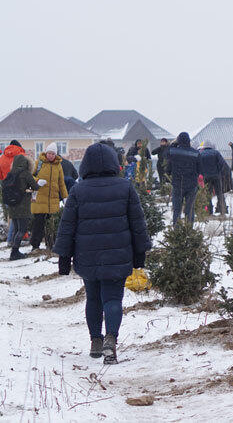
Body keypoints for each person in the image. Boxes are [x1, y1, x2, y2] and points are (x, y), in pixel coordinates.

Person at [53, 142, 150, 365]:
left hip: (87, 256)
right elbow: (138, 224)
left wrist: (64, 259)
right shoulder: (125, 187)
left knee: (93, 298)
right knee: (113, 298)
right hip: (118, 255)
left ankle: (95, 341)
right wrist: (139, 254)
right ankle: (110, 340)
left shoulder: (78, 190)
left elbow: (67, 226)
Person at [4, 154, 45, 260]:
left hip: (12, 205)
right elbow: (35, 187)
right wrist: (40, 183)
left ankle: (14, 250)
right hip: (23, 205)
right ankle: (14, 252)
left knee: (17, 229)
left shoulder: (10, 173)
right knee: (22, 230)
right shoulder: (26, 173)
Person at [30, 143, 69, 250]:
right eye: (49, 153)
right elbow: (29, 177)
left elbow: (61, 183)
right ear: (46, 153)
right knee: (38, 225)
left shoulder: (58, 166)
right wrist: (37, 181)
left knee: (51, 225)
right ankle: (35, 246)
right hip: (39, 200)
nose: (50, 155)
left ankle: (50, 245)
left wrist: (65, 196)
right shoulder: (38, 163)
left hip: (53, 201)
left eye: (53, 153)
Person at [166, 132, 200, 225]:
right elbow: (199, 169)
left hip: (177, 184)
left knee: (177, 209)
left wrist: (173, 144)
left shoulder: (173, 152)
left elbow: (168, 169)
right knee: (190, 209)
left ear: (179, 140)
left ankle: (176, 233)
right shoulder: (195, 153)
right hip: (192, 185)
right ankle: (189, 231)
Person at [198, 141, 229, 215]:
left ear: (204, 147)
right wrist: (219, 172)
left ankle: (209, 211)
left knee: (208, 194)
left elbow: (198, 166)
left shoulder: (200, 154)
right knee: (219, 193)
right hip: (216, 176)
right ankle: (222, 210)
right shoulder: (216, 153)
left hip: (206, 177)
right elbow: (223, 164)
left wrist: (202, 173)